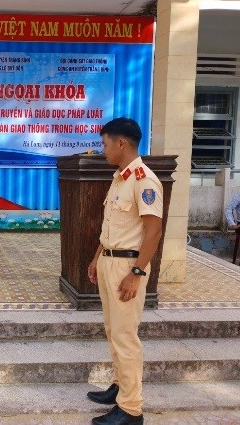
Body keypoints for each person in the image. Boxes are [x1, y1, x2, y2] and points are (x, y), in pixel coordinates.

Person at [86, 117, 163, 425]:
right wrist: (97, 257)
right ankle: (120, 386)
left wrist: (137, 273)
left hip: (127, 267)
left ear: (121, 143)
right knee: (113, 330)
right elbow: (111, 227)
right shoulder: (120, 178)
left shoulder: (145, 180)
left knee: (125, 336)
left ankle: (131, 409)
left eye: (105, 144)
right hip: (109, 260)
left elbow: (154, 231)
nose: (102, 150)